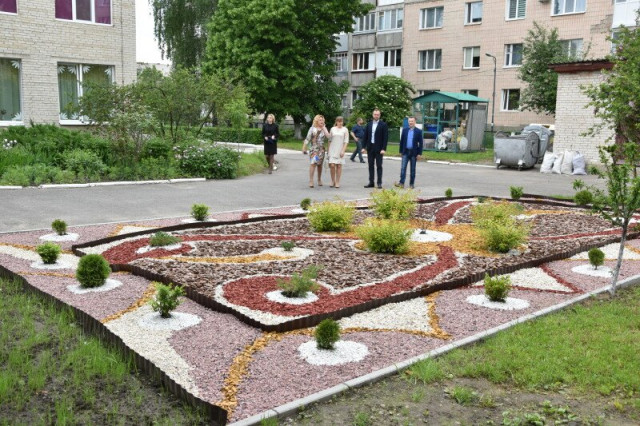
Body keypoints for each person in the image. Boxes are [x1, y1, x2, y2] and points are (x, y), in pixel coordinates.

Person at [361, 108, 388, 188]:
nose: (376, 116)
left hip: (379, 149)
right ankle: (371, 182)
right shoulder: (369, 124)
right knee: (370, 165)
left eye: (378, 114)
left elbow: (385, 138)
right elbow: (365, 136)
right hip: (370, 148)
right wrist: (363, 147)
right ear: (373, 115)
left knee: (379, 166)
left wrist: (383, 149)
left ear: (380, 115)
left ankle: (379, 183)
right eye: (375, 114)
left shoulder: (383, 125)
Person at [395, 116, 424, 189]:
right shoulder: (405, 130)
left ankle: (411, 184)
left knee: (412, 169)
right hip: (405, 152)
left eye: (412, 121)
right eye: (409, 121)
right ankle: (401, 183)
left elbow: (421, 143)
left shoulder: (418, 131)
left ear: (415, 122)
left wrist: (419, 154)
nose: (410, 122)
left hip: (414, 153)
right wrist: (400, 151)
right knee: (403, 168)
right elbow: (402, 141)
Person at [302, 115, 330, 188]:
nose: (322, 121)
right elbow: (307, 138)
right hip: (314, 149)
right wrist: (304, 147)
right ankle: (311, 180)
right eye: (320, 120)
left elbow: (328, 137)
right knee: (313, 163)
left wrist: (324, 128)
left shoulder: (324, 129)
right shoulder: (312, 129)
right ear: (316, 121)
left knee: (319, 165)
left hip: (321, 150)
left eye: (323, 120)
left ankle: (319, 179)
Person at [327, 116, 349, 188]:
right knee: (332, 165)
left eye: (341, 121)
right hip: (332, 149)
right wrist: (328, 150)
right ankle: (332, 180)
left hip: (340, 149)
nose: (340, 123)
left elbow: (346, 141)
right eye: (339, 121)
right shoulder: (332, 129)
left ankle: (337, 182)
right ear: (336, 122)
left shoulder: (345, 129)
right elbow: (329, 140)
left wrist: (343, 150)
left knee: (339, 166)